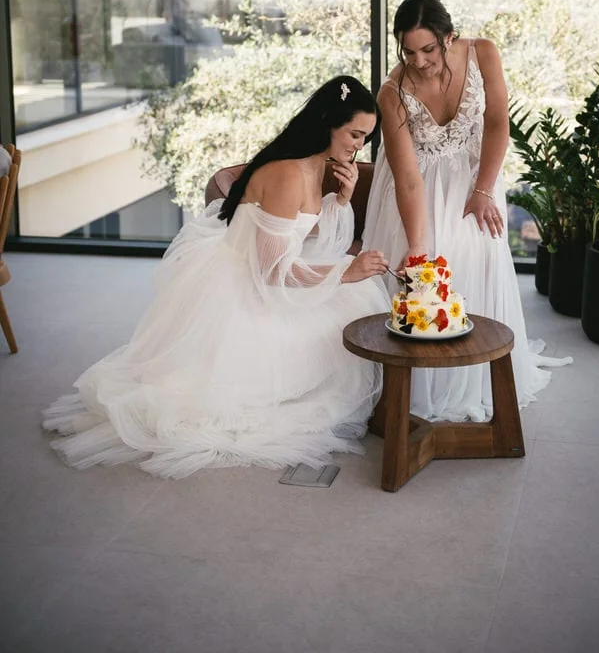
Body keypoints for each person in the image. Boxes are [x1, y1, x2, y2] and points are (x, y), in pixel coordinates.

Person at [43, 76, 391, 478]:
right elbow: (272, 270)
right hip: (246, 283)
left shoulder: (314, 166)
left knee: (358, 298)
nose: (358, 146)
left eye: (365, 138)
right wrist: (345, 271)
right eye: (354, 134)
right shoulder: (288, 173)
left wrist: (340, 200)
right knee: (348, 303)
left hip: (267, 272)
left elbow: (304, 236)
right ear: (329, 122)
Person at [362, 0, 571, 422]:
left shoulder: (483, 53)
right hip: (416, 188)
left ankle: (479, 376)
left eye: (427, 49)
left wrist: (484, 190)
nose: (419, 61)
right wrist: (417, 248)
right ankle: (420, 386)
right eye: (408, 52)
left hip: (476, 177)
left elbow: (497, 122)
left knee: (478, 253)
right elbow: (408, 179)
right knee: (429, 266)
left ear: (449, 37)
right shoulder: (392, 92)